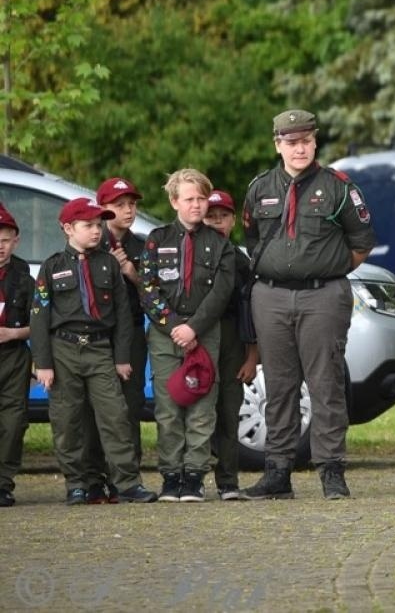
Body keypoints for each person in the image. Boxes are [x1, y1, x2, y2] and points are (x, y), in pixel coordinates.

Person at [241, 109, 376, 501]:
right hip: (272, 296)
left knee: (325, 383)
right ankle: (277, 473)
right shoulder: (260, 187)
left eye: (305, 140)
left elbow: (361, 242)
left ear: (315, 141)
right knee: (278, 386)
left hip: (323, 295)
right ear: (277, 144)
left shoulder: (338, 187)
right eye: (290, 141)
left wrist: (324, 270)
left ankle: (331, 471)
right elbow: (252, 236)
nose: (299, 148)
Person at [30, 198, 159, 504]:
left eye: (98, 225)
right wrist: (43, 363)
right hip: (64, 349)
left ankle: (126, 482)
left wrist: (122, 357)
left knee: (115, 417)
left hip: (101, 348)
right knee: (68, 419)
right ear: (68, 228)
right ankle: (78, 483)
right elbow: (39, 318)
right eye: (88, 226)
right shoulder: (52, 267)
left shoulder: (108, 264)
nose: (96, 231)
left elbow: (123, 317)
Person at [140, 168, 239, 503]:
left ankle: (194, 476)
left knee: (201, 406)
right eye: (189, 199)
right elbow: (148, 290)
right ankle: (171, 476)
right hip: (165, 334)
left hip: (205, 333)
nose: (197, 206)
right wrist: (173, 327)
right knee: (168, 407)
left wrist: (194, 328)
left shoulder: (220, 245)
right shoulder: (157, 239)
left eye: (201, 198)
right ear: (174, 201)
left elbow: (221, 293)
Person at [87, 176, 147, 485]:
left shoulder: (142, 245)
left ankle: (128, 472)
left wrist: (131, 272)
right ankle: (96, 475)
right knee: (96, 404)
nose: (128, 210)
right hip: (98, 335)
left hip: (132, 333)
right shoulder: (91, 243)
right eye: (119, 205)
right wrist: (106, 268)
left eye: (132, 205)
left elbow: (153, 294)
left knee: (129, 401)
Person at [204, 189, 258, 500]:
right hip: (198, 335)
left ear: (232, 220)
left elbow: (250, 312)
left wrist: (252, 355)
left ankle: (228, 481)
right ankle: (190, 478)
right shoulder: (191, 253)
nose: (216, 222)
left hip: (231, 336)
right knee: (198, 409)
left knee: (228, 408)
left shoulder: (241, 261)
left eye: (222, 216)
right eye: (210, 216)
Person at [0, 205, 31, 507]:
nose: (0, 246)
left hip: (12, 355)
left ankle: (3, 483)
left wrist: (13, 333)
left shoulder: (24, 276)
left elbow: (40, 323)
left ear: (15, 241)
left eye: (5, 240)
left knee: (13, 420)